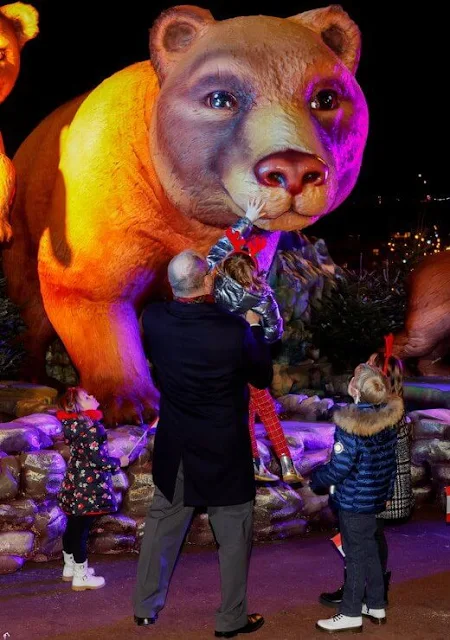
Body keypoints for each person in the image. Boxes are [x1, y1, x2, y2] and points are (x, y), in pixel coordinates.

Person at [133, 248, 273, 637]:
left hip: (177, 445)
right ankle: (230, 620)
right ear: (207, 280)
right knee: (233, 535)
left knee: (162, 525)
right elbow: (261, 376)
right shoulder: (233, 329)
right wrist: (255, 327)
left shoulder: (154, 320)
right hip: (224, 448)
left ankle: (145, 608)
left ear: (173, 285)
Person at [207, 199, 302, 484]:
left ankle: (255, 464)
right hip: (252, 357)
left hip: (223, 357)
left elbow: (220, 247)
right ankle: (286, 462)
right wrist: (258, 328)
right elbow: (275, 333)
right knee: (264, 406)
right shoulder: (262, 297)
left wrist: (246, 219)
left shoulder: (216, 280)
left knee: (246, 409)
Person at [319, 341, 413, 608]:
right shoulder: (389, 409)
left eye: (372, 365)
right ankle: (371, 592)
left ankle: (362, 593)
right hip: (379, 487)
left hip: (378, 489)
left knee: (365, 540)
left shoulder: (387, 414)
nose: (366, 368)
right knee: (368, 539)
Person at [310, 363, 402, 633]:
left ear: (355, 390)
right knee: (370, 550)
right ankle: (375, 603)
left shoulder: (350, 425)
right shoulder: (387, 420)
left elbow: (340, 468)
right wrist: (385, 495)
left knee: (355, 555)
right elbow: (391, 463)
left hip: (353, 500)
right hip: (373, 498)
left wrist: (317, 478)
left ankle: (350, 612)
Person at [57, 387, 129, 591]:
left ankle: (69, 567)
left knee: (73, 526)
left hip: (74, 483)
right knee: (81, 531)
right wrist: (119, 462)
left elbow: (86, 454)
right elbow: (97, 459)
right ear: (78, 406)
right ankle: (80, 576)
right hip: (88, 487)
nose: (94, 396)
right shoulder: (92, 428)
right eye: (87, 397)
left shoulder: (74, 426)